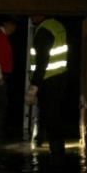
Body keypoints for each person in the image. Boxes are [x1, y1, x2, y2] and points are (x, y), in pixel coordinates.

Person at [25, 15, 69, 156]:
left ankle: (56, 151)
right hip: (60, 77)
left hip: (48, 79)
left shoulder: (43, 31)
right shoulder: (57, 26)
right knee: (55, 114)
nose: (31, 17)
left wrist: (34, 85)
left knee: (50, 114)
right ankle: (55, 148)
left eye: (34, 14)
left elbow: (42, 60)